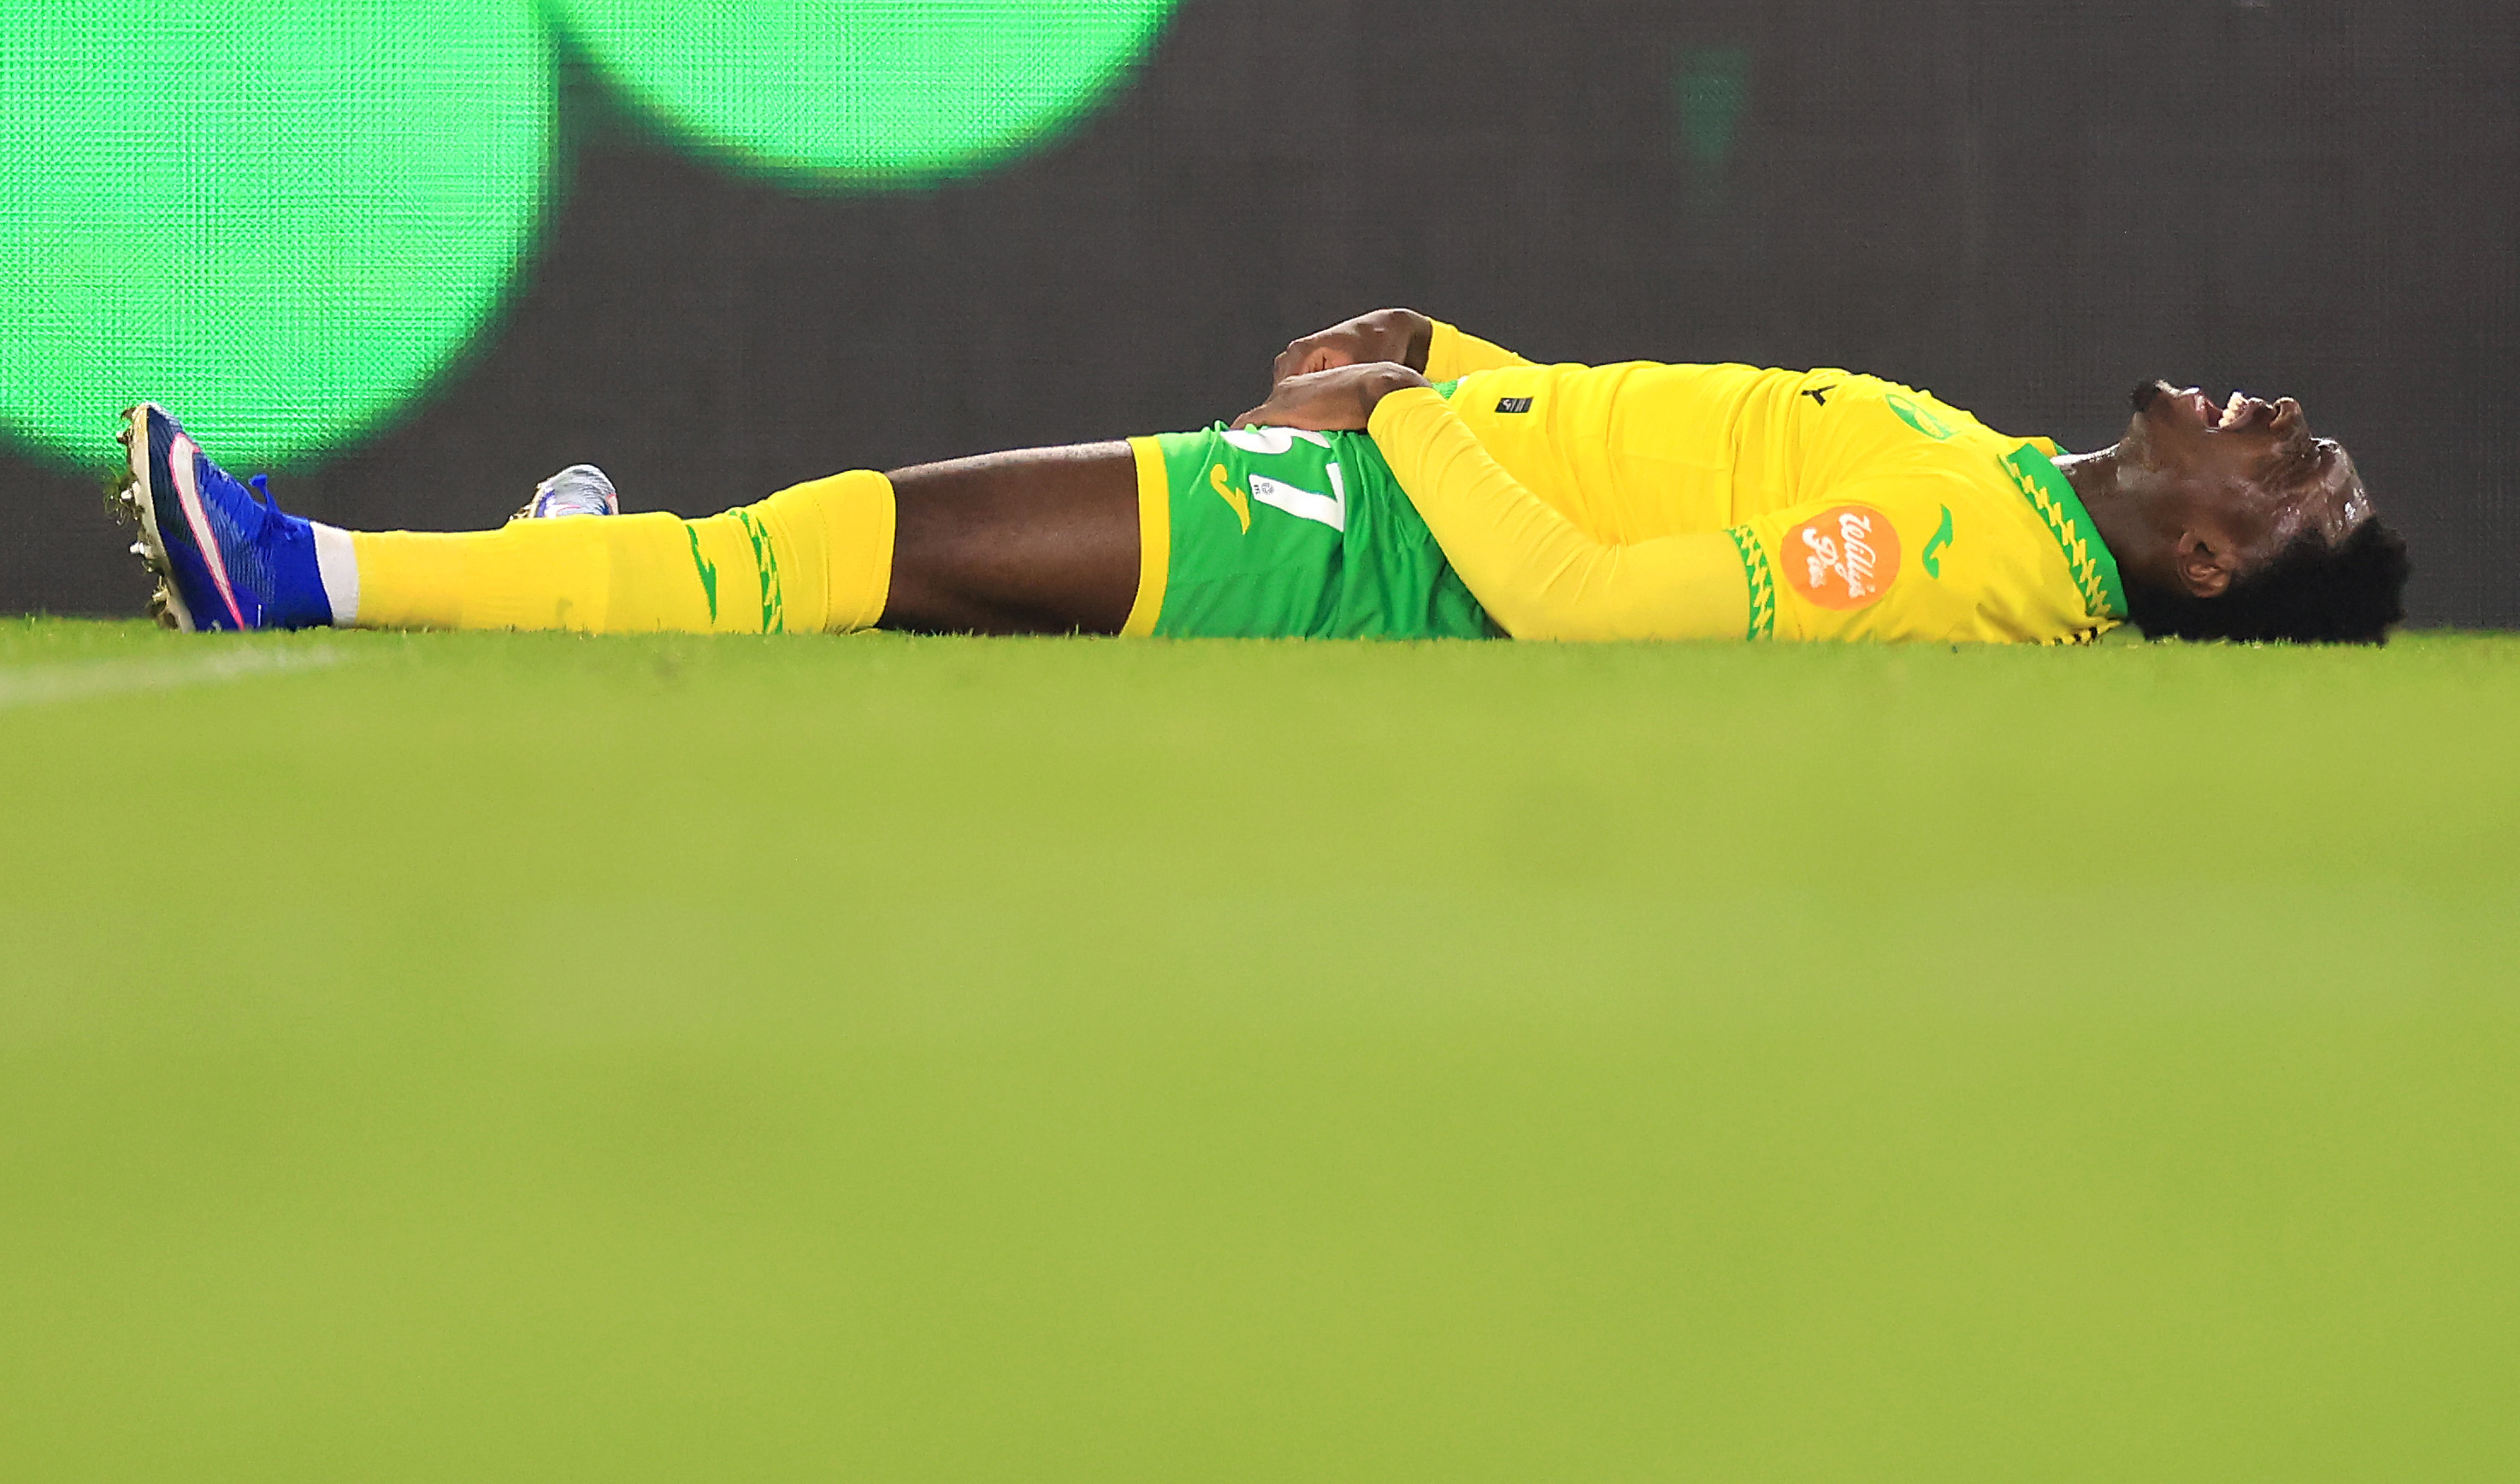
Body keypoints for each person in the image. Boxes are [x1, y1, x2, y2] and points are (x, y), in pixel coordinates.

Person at [117, 308, 2409, 646]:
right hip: (1383, 474)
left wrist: (1394, 430)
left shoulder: (1935, 546)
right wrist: (1443, 355)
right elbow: (1662, 431)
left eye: (2300, 494)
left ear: (2202, 564)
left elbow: (1589, 610)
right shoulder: (2002, 481)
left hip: (1369, 553)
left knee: (850, 545)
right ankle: (562, 586)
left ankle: (302, 575)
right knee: (851, 554)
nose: (2294, 439)